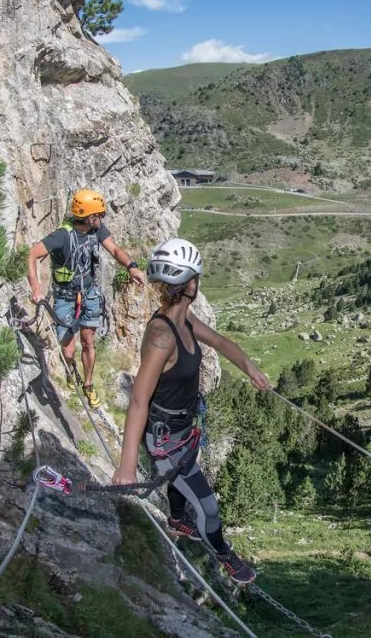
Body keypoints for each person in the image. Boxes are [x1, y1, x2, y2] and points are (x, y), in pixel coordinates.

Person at [112, 238, 269, 585]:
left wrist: (250, 368)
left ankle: (177, 518)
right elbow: (139, 399)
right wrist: (126, 467)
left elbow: (220, 342)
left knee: (183, 475)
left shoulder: (184, 319)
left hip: (185, 428)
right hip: (167, 439)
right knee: (209, 507)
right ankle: (223, 553)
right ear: (191, 284)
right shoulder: (162, 335)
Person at [27, 189, 146, 409]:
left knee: (88, 342)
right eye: (99, 215)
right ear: (90, 216)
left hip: (89, 294)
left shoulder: (97, 231)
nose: (101, 218)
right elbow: (33, 254)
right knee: (68, 351)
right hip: (65, 297)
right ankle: (71, 368)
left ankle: (88, 385)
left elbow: (115, 250)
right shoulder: (62, 236)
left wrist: (132, 267)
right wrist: (35, 287)